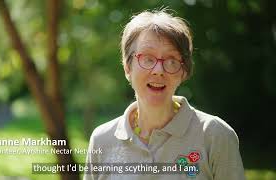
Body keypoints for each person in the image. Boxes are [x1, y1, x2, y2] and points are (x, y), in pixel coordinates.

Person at [84, 8, 245, 180]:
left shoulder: (215, 135)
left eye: (171, 60)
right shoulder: (102, 140)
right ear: (127, 67)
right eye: (147, 58)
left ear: (183, 71)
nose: (158, 70)